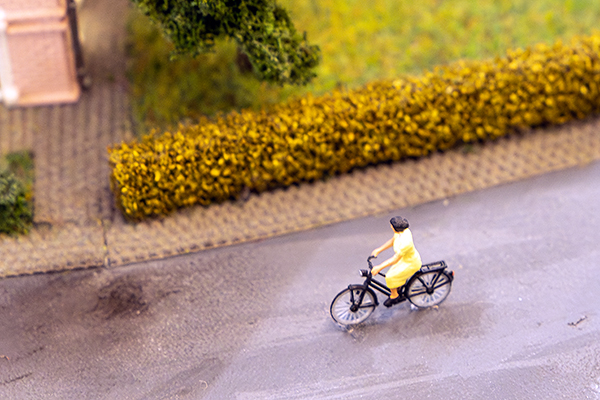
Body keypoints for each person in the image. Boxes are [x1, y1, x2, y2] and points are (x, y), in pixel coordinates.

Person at [370, 216, 422, 307]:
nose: (391, 227)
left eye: (391, 226)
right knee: (393, 273)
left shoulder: (406, 243)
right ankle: (398, 287)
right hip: (405, 259)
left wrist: (379, 267)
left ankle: (395, 296)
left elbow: (395, 259)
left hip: (410, 263)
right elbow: (393, 240)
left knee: (390, 276)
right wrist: (379, 250)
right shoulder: (400, 232)